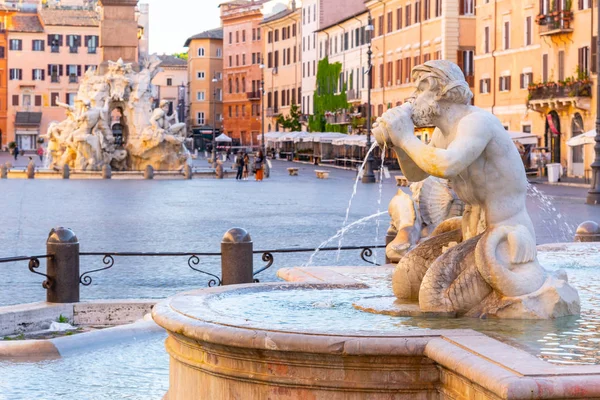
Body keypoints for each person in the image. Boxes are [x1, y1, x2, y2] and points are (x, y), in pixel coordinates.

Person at [373, 59, 546, 308]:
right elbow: (417, 174)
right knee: (406, 279)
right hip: (471, 232)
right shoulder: (441, 133)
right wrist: (399, 142)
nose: (413, 97)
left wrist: (406, 137)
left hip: (503, 236)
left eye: (420, 89)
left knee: (436, 301)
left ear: (442, 92)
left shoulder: (476, 123)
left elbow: (446, 165)